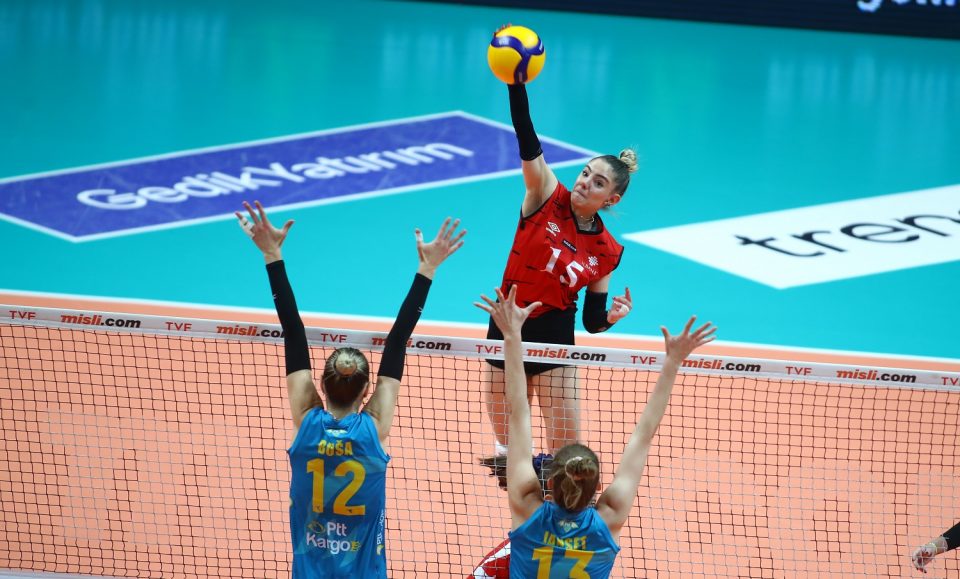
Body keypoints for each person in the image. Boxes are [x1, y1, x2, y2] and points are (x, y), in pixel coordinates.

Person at [236, 200, 465, 578]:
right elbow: (397, 341)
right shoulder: (372, 430)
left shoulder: (308, 423)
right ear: (367, 390)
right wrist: (427, 268)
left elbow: (292, 331)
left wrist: (272, 254)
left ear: (321, 386)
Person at [475, 284, 715, 578]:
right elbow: (644, 435)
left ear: (549, 482)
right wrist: (673, 363)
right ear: (598, 487)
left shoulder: (528, 508)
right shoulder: (608, 519)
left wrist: (512, 336)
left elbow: (518, 412)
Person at [482, 45, 637, 485]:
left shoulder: (607, 251)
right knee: (510, 452)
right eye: (586, 173)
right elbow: (526, 139)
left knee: (568, 458)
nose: (585, 182)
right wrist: (516, 86)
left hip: (554, 332)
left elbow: (591, 320)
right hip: (507, 324)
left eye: (598, 182)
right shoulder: (544, 195)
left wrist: (611, 318)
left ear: (611, 199)